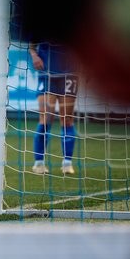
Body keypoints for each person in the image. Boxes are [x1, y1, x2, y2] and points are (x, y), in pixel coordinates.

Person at [28, 42, 79, 175]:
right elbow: (32, 44)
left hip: (70, 73)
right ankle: (39, 163)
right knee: (46, 118)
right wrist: (34, 56)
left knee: (67, 119)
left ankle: (67, 163)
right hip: (47, 73)